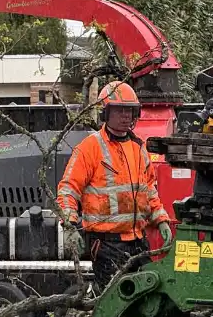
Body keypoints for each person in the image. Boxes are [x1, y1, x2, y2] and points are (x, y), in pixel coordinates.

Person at [57, 80, 173, 290]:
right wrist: (69, 225)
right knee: (116, 301)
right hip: (106, 244)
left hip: (138, 241)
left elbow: (149, 191)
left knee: (149, 295)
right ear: (106, 112)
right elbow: (68, 189)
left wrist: (161, 219)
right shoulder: (89, 148)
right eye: (120, 110)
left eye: (129, 111)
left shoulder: (139, 148)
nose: (126, 116)